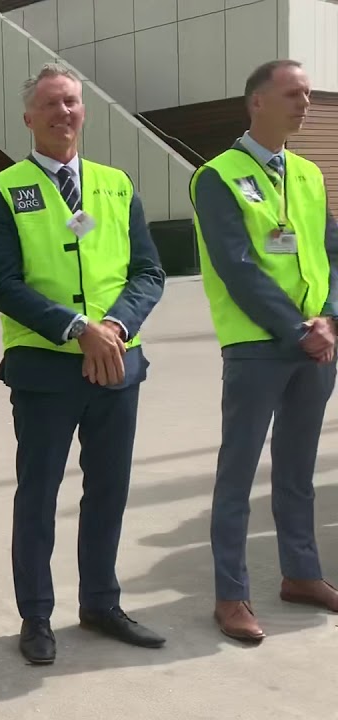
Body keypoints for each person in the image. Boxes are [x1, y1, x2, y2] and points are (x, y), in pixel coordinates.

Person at [0, 64, 166, 665]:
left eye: (73, 103)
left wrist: (113, 327)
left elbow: (148, 272)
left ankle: (100, 603)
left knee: (108, 490)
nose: (64, 113)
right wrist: (75, 329)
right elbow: (2, 283)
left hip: (117, 365)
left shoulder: (115, 183)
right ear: (29, 117)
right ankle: (36, 616)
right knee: (38, 494)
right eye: (51, 104)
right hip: (46, 370)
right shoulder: (4, 188)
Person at [192, 59, 338, 642]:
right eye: (293, 94)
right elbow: (238, 266)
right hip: (259, 346)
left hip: (316, 345)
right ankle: (231, 595)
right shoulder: (217, 175)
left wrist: (328, 320)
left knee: (298, 468)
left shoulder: (307, 172)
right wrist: (296, 328)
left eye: (307, 94)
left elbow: (331, 251)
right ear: (256, 102)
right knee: (238, 472)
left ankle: (301, 574)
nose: (305, 103)